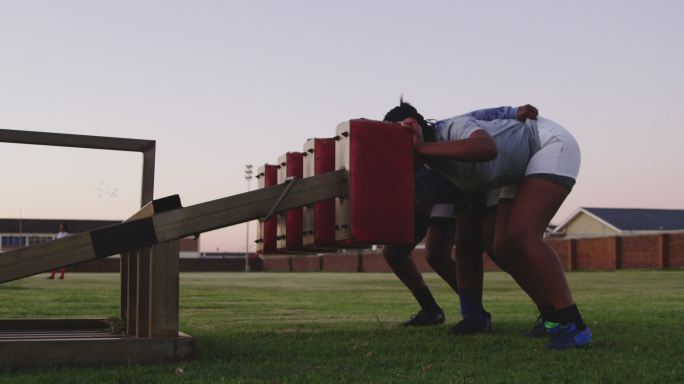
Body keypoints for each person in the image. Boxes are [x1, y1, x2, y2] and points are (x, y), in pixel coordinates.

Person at [393, 100, 591, 350]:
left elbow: (486, 148)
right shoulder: (431, 165)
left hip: (546, 144)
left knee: (523, 235)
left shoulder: (452, 128)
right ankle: (552, 319)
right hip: (514, 167)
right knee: (503, 246)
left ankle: (574, 324)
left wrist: (422, 149)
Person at [382, 103, 535, 334]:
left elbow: (479, 117)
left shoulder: (444, 132)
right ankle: (433, 310)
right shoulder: (397, 158)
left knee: (449, 250)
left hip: (455, 190)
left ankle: (484, 312)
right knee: (394, 251)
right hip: (426, 199)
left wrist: (514, 112)